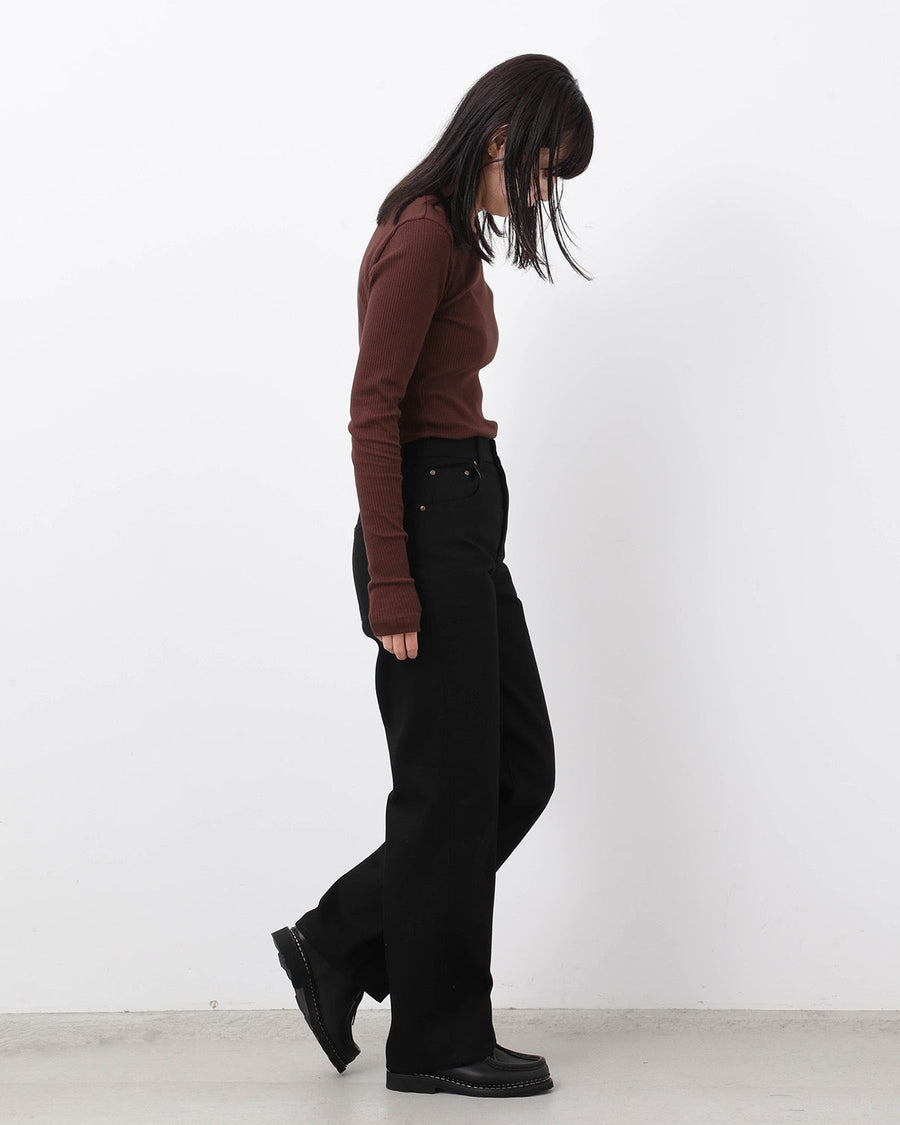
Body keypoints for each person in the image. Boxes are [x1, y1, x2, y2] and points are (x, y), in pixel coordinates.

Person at [272, 53, 593, 1099]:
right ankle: (437, 1039)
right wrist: (392, 584)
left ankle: (338, 939)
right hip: (424, 524)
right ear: (500, 140)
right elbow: (373, 409)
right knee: (448, 790)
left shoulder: (453, 237)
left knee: (516, 771)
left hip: (463, 523)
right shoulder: (421, 234)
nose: (539, 192)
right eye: (541, 168)